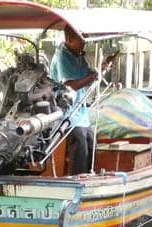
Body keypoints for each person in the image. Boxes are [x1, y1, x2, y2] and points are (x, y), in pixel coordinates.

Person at [50, 25, 118, 175]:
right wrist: (94, 75)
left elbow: (89, 76)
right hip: (67, 114)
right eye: (82, 40)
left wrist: (104, 66)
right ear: (69, 39)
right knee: (80, 141)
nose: (84, 44)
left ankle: (88, 176)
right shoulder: (62, 56)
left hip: (81, 113)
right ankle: (77, 179)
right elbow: (71, 85)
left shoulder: (78, 56)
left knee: (91, 141)